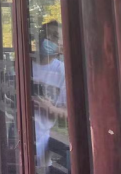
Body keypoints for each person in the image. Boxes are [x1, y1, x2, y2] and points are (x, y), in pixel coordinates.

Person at [32, 20, 68, 170]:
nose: (47, 38)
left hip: (43, 141)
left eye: (54, 36)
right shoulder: (23, 64)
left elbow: (68, 113)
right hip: (16, 135)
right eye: (44, 33)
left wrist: (49, 108)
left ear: (62, 48)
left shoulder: (62, 72)